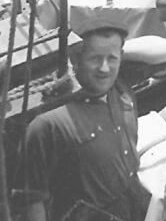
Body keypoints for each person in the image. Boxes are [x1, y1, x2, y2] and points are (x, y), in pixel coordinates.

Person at [23, 18, 150, 221]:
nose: (104, 69)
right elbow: (32, 199)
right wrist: (112, 53)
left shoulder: (120, 88)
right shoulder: (48, 124)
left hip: (134, 204)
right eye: (95, 59)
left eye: (112, 58)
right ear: (75, 59)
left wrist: (116, 52)